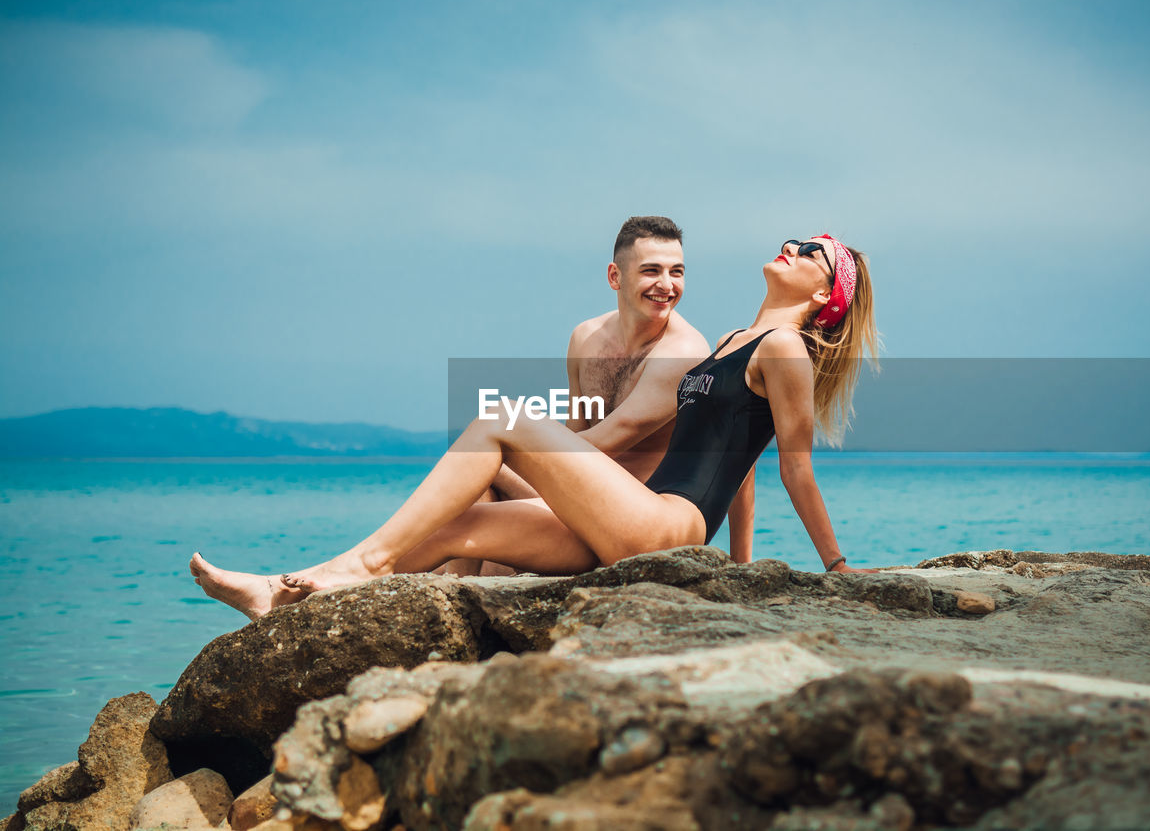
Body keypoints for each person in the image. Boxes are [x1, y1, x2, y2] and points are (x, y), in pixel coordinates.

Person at [192, 233, 878, 619]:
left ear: (824, 297)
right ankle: (284, 592)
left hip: (665, 524)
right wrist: (738, 569)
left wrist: (838, 569)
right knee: (453, 530)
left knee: (501, 421)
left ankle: (357, 566)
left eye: (811, 251)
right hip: (629, 524)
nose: (790, 245)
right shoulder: (733, 339)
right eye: (793, 238)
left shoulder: (784, 349)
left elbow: (793, 469)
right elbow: (739, 467)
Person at [435, 215, 710, 576]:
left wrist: (510, 454)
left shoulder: (683, 353)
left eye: (677, 272)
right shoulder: (586, 337)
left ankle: (379, 569)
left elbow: (605, 444)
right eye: (651, 271)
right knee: (474, 498)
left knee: (477, 467)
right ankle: (456, 600)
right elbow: (574, 435)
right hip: (571, 500)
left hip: (626, 514)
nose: (667, 285)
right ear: (615, 276)